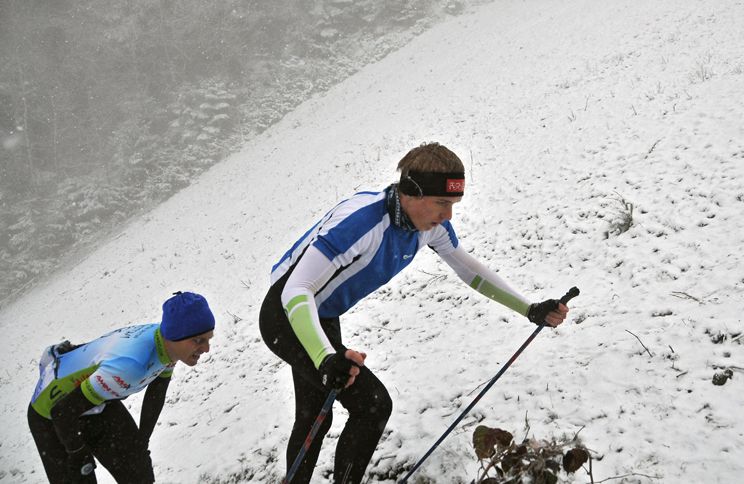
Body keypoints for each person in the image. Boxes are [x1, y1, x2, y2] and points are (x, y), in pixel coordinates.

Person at [259, 142, 570, 483]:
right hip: (286, 314)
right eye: (441, 203)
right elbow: (295, 289)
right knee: (371, 405)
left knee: (316, 413)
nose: (448, 215)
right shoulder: (361, 223)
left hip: (322, 314)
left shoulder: (428, 226)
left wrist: (530, 309)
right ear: (411, 192)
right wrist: (324, 358)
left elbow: (469, 270)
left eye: (453, 204)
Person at [28, 291, 216, 483]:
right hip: (51, 414)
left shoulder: (169, 345)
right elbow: (62, 412)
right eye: (199, 340)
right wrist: (77, 451)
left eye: (208, 339)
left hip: (96, 400)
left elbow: (157, 391)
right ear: (175, 336)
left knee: (139, 475)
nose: (206, 348)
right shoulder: (131, 365)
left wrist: (142, 440)